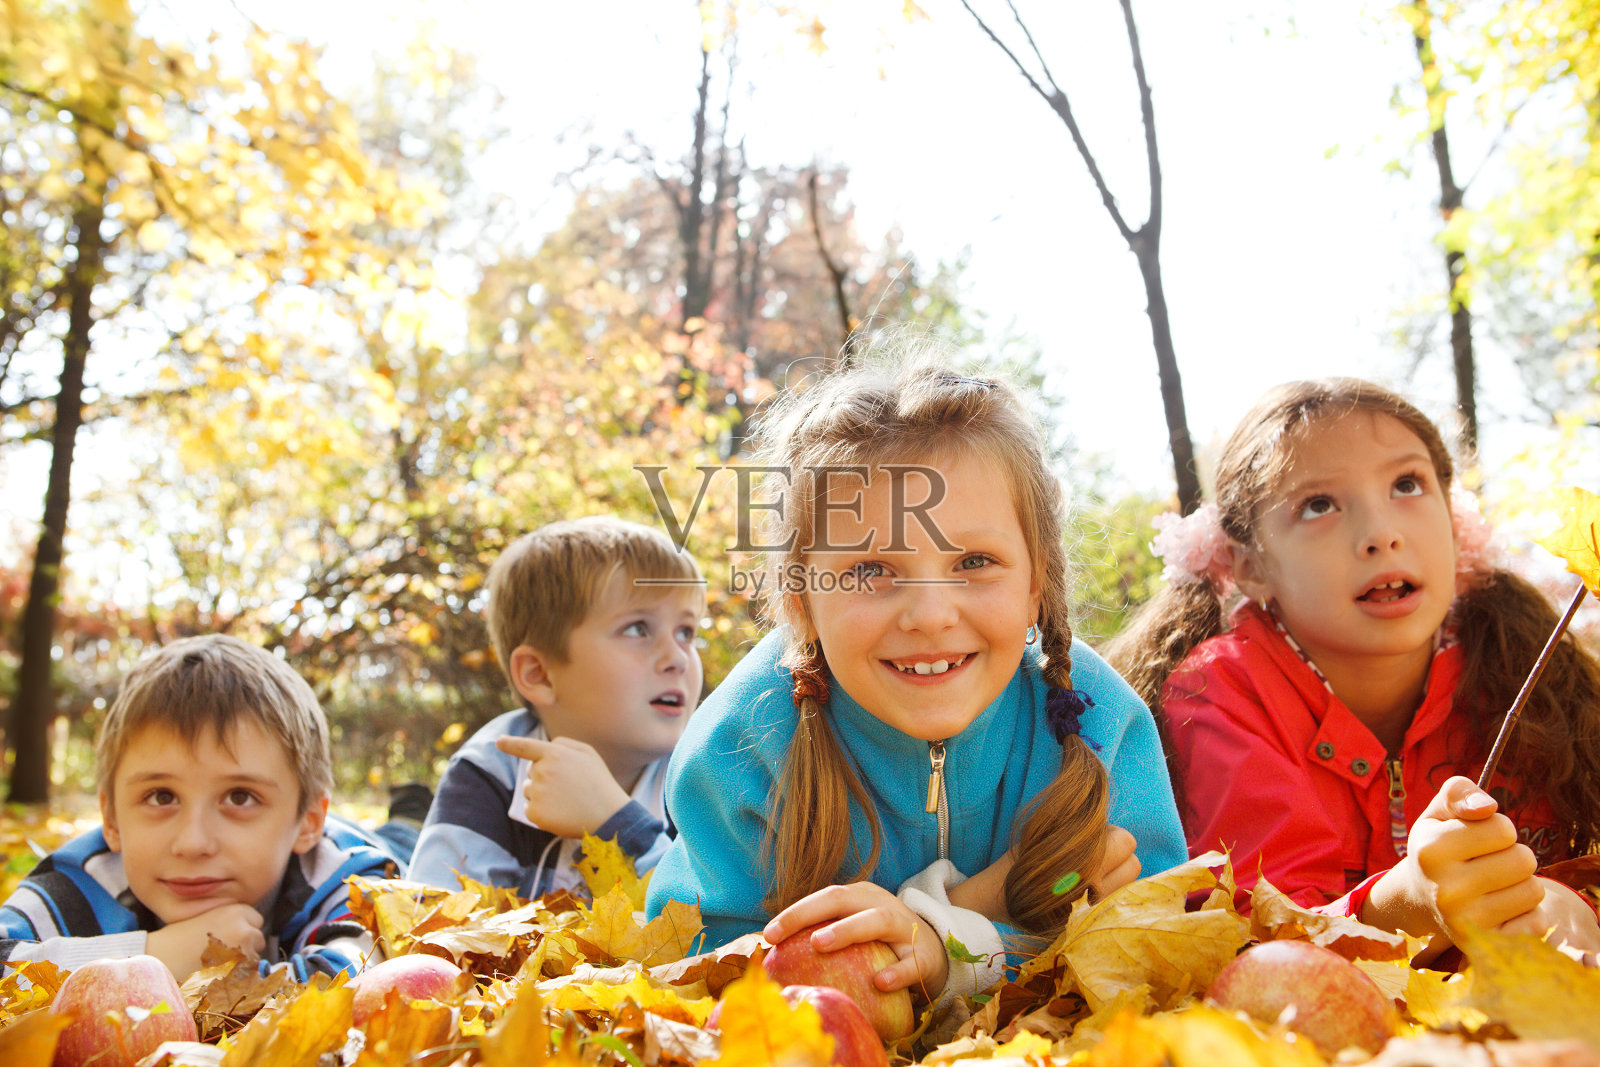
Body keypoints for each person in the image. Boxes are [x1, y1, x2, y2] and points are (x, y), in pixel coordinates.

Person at [645, 358, 1187, 1012]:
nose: (930, 615)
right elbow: (699, 968)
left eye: (974, 562)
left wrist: (949, 943)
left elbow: (1156, 944)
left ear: (1036, 582)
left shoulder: (1100, 727)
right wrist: (980, 906)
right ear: (801, 600)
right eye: (872, 568)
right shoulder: (745, 746)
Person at [1105, 377, 1600, 964]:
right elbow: (1262, 933)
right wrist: (1404, 903)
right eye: (1319, 505)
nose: (1381, 534)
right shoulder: (1223, 693)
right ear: (1249, 566)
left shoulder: (1523, 668)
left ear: (1454, 518)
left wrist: (1569, 902)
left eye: (1407, 485)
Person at [0, 635, 396, 982]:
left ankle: (406, 817)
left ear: (308, 821)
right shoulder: (82, 882)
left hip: (375, 843)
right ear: (112, 819)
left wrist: (208, 969)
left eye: (240, 797)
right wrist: (152, 956)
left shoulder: (352, 883)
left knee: (402, 837)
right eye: (161, 796)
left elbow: (356, 985)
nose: (193, 843)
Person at [407, 516, 704, 899]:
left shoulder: (703, 778)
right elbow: (435, 924)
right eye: (638, 629)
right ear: (539, 675)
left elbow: (716, 930)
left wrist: (617, 824)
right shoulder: (492, 772)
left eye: (686, 632)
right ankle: (401, 828)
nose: (677, 657)